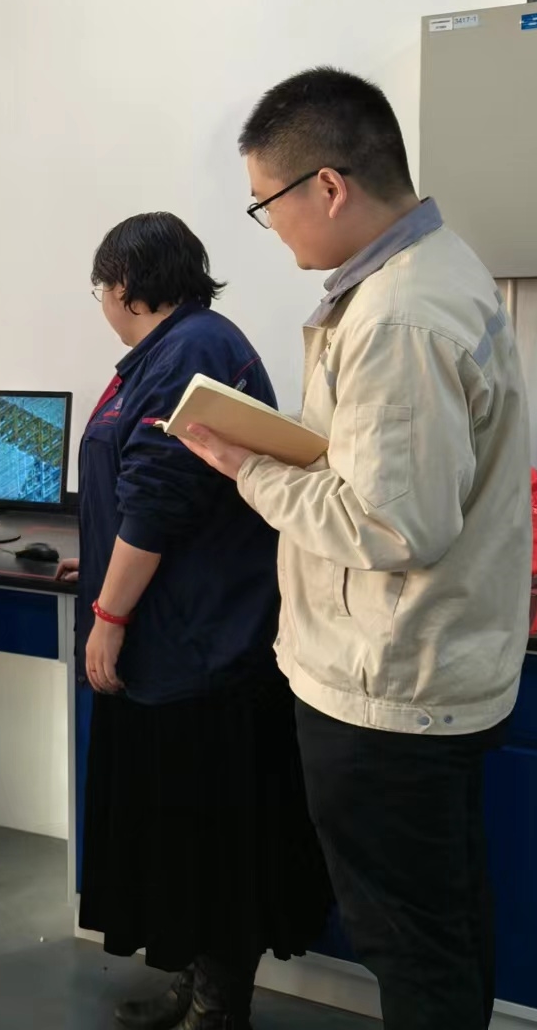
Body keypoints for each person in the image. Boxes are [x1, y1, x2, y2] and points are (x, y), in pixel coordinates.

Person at [180, 68, 531, 1030]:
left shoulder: (398, 316)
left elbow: (392, 526)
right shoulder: (431, 271)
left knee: (411, 944)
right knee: (443, 924)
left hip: (390, 686)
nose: (270, 226)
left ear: (329, 186)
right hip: (426, 668)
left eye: (267, 204)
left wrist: (247, 468)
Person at [60, 212, 331, 1030]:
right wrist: (99, 561)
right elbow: (138, 493)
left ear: (124, 285)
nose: (102, 303)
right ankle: (194, 984)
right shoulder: (176, 350)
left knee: (207, 835)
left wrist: (109, 612)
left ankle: (219, 1007)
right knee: (177, 833)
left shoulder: (192, 351)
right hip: (174, 634)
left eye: (101, 288)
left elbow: (160, 499)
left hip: (202, 647)